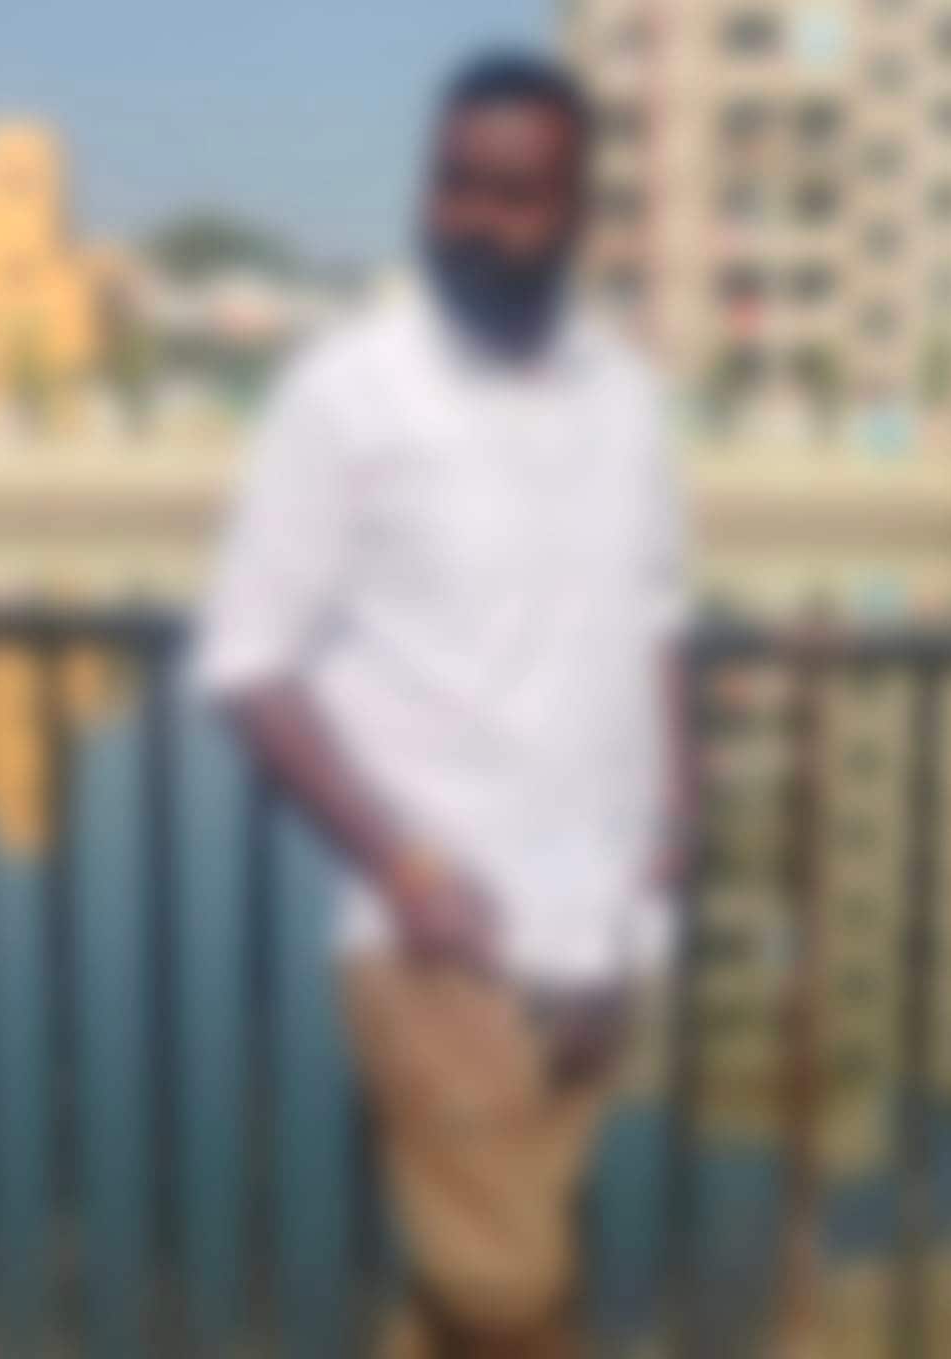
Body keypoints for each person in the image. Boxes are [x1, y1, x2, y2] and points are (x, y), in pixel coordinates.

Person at [193, 49, 693, 1357]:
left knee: (485, 1271)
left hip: (602, 930)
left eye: (515, 194)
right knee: (510, 1289)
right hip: (439, 938)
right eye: (454, 183)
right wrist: (402, 867)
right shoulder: (346, 395)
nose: (474, 217)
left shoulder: (627, 398)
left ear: (578, 211)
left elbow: (654, 619)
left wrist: (676, 821)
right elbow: (249, 664)